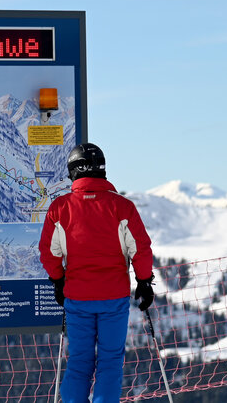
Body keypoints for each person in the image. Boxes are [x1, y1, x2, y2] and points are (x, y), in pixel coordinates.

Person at [39, 142, 154, 403]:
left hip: (78, 297)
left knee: (79, 361)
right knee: (110, 361)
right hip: (114, 296)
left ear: (73, 172)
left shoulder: (60, 208)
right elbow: (140, 248)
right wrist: (144, 281)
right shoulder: (122, 207)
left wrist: (58, 281)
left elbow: (49, 253)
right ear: (102, 170)